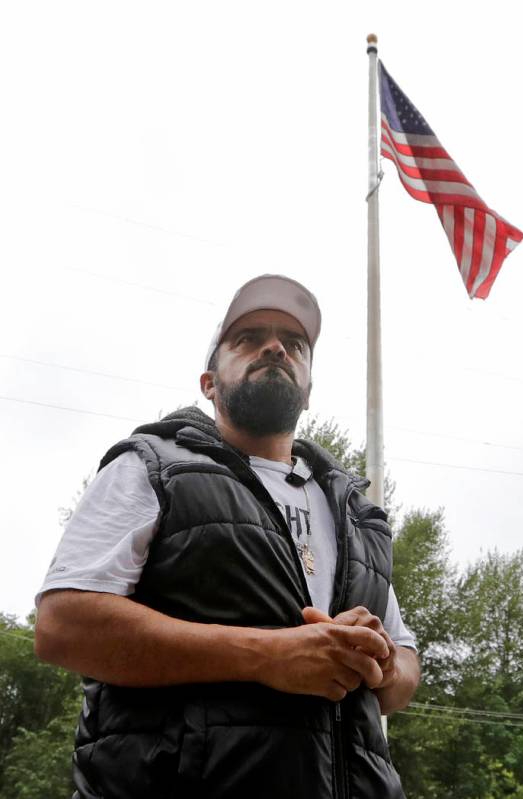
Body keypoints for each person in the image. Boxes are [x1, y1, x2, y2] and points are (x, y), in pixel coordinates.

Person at [35, 274, 420, 799]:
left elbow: (403, 670)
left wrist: (377, 659)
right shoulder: (151, 466)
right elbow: (64, 625)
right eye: (248, 338)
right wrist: (266, 655)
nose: (275, 347)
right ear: (209, 383)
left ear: (308, 391)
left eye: (295, 343)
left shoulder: (355, 513)